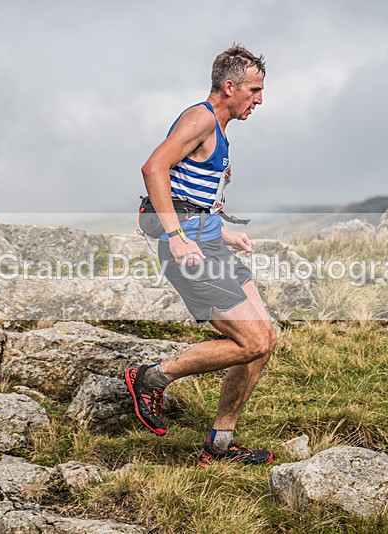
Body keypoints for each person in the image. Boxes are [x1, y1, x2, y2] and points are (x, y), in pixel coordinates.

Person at [124, 45, 276, 467]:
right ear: (230, 87)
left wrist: (222, 231)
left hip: (206, 239)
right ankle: (151, 378)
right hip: (189, 248)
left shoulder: (219, 129)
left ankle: (219, 446)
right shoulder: (202, 117)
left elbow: (187, 191)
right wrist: (175, 235)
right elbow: (153, 168)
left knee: (265, 342)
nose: (259, 99)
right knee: (253, 339)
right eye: (254, 90)